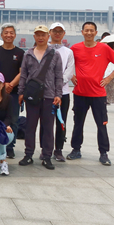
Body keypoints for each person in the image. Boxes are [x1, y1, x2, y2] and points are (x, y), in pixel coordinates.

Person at [67, 22, 114, 166]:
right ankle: (76, 149)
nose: (89, 33)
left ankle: (103, 153)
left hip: (98, 94)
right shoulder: (75, 48)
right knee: (78, 123)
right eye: (86, 30)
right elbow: (66, 63)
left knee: (101, 124)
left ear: (96, 32)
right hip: (80, 93)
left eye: (91, 30)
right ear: (82, 32)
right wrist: (71, 76)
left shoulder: (103, 48)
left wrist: (109, 78)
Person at [17, 26, 63, 170]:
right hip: (32, 96)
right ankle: (28, 154)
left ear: (48, 36)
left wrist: (58, 94)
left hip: (49, 96)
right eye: (38, 35)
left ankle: (47, 156)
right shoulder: (28, 54)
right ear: (34, 37)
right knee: (30, 126)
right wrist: (21, 92)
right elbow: (23, 74)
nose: (40, 37)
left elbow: (59, 76)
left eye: (43, 35)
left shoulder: (55, 54)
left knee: (48, 128)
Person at [0, 23, 24, 159]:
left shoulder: (20, 53)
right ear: (2, 34)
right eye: (6, 33)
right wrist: (2, 84)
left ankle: (10, 146)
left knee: (13, 119)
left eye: (11, 33)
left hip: (13, 92)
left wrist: (10, 84)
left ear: (15, 35)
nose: (9, 35)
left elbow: (22, 72)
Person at [49, 22, 75, 162]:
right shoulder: (44, 49)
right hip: (47, 92)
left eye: (60, 31)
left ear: (64, 34)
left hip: (63, 93)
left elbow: (69, 72)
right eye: (55, 31)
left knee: (61, 121)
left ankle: (58, 149)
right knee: (47, 122)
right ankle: (45, 149)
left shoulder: (68, 52)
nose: (57, 34)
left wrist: (57, 84)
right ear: (50, 33)